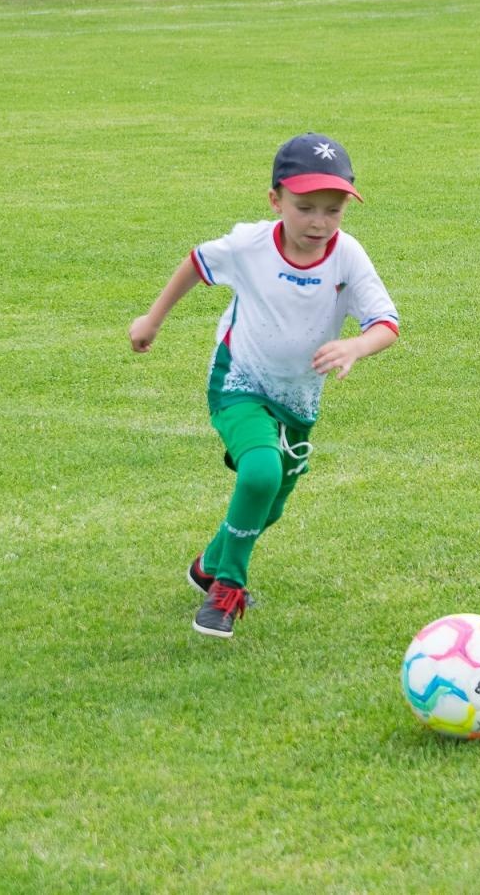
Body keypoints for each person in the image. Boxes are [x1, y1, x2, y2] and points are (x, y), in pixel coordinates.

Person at [128, 133, 400, 638]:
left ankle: (210, 561)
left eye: (333, 210)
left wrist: (356, 347)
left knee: (271, 502)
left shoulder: (348, 257)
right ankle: (226, 589)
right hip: (239, 381)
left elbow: (386, 323)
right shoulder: (249, 245)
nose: (319, 222)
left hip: (298, 400)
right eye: (305, 208)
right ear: (275, 200)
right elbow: (196, 262)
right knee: (259, 473)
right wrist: (153, 319)